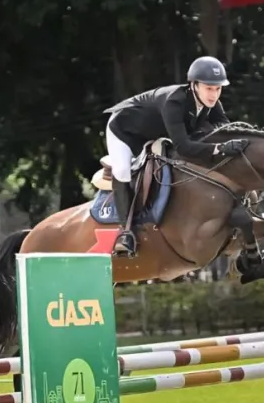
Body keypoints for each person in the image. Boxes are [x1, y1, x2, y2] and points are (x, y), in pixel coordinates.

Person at [102, 56, 250, 257]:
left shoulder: (212, 103)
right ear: (194, 85)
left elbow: (223, 129)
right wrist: (219, 149)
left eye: (218, 89)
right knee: (122, 170)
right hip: (124, 131)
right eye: (209, 88)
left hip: (151, 133)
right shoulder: (174, 102)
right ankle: (125, 233)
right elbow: (184, 147)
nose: (214, 94)